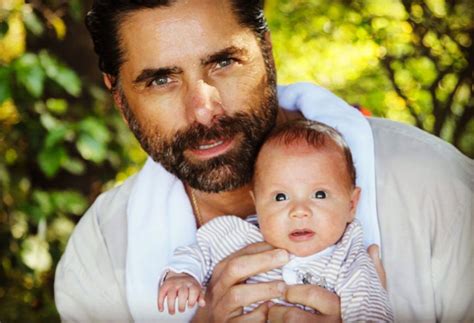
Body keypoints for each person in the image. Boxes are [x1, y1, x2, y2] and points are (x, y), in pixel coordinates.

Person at [54, 0, 473, 322]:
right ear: (119, 95)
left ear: (266, 50)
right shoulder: (102, 252)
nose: (204, 110)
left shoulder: (436, 187)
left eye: (223, 62)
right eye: (161, 80)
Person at [158, 120, 394, 321]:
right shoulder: (237, 235)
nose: (299, 211)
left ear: (351, 205)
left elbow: (369, 305)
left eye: (319, 194)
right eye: (280, 197)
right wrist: (183, 275)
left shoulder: (349, 257)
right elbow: (199, 251)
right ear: (258, 204)